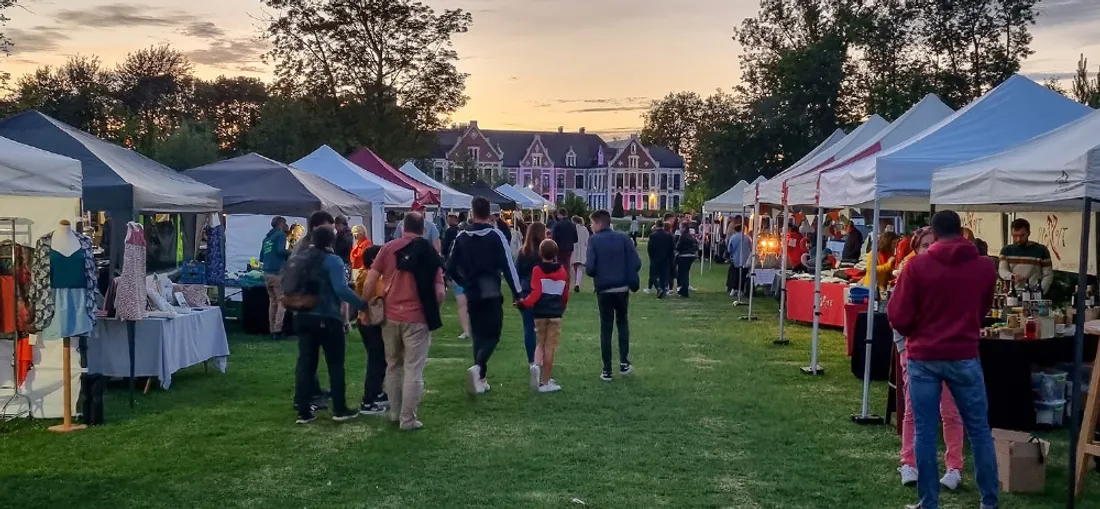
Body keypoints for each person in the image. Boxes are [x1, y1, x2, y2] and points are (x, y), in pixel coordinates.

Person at [887, 210, 998, 509]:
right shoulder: (985, 267)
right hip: (963, 353)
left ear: (934, 234)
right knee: (979, 431)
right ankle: (989, 502)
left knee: (924, 431)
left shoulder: (917, 267)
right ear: (961, 231)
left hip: (924, 355)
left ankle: (929, 502)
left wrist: (917, 331)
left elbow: (897, 315)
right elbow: (983, 308)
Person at [891, 227, 965, 491]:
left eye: (935, 244)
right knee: (914, 410)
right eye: (924, 245)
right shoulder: (907, 278)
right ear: (916, 249)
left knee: (950, 412)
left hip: (948, 355)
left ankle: (954, 467)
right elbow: (896, 317)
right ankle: (909, 463)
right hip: (916, 355)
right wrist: (903, 350)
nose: (930, 249)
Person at [362, 212, 445, 430]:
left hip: (390, 315)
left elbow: (371, 278)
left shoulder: (388, 248)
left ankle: (394, 412)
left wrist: (364, 307)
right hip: (417, 317)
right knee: (413, 369)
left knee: (393, 365)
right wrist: (434, 310)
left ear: (402, 226)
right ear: (423, 229)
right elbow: (440, 292)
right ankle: (408, 419)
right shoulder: (429, 252)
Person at [291, 225, 368, 424]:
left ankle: (303, 410)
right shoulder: (332, 260)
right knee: (335, 363)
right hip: (326, 315)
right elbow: (341, 289)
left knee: (306, 364)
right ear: (331, 241)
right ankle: (339, 408)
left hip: (302, 315)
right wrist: (361, 304)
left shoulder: (300, 258)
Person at [447, 197, 522, 395]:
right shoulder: (495, 235)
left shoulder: (461, 236)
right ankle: (479, 367)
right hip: (491, 290)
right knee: (494, 334)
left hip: (472, 291)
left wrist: (463, 282)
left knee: (478, 334)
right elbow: (508, 266)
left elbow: (450, 266)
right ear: (489, 214)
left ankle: (480, 378)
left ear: (472, 213)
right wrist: (518, 293)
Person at [586, 209, 641, 381]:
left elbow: (590, 268)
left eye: (592, 223)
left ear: (599, 224)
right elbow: (636, 262)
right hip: (622, 288)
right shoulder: (624, 238)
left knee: (606, 327)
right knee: (623, 324)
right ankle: (624, 363)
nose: (591, 226)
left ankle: (607, 369)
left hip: (604, 290)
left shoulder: (594, 241)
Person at [517, 238, 570, 393]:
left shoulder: (537, 270)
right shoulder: (562, 272)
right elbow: (565, 293)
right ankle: (546, 381)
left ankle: (535, 366)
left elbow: (536, 292)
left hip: (539, 313)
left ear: (540, 253)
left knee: (540, 343)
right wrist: (563, 306)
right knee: (550, 347)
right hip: (555, 313)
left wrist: (524, 302)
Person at [354, 245, 388, 415]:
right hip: (371, 322)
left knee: (380, 360)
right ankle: (368, 401)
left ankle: (378, 393)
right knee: (377, 361)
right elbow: (384, 295)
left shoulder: (363, 274)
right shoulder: (372, 278)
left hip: (366, 321)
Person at [517, 222, 548, 367]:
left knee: (528, 328)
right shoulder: (545, 253)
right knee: (543, 328)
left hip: (526, 291)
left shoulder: (523, 253)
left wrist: (517, 296)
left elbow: (517, 274)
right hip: (543, 292)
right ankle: (540, 357)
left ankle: (532, 360)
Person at [998, 218, 1053, 293]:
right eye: (1015, 236)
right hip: (1012, 294)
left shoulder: (1041, 250)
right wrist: (1012, 276)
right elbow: (1002, 270)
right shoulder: (1006, 250)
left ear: (1029, 233)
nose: (1018, 239)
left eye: (1022, 235)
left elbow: (1048, 275)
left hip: (1033, 294)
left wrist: (1040, 292)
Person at [260, 216, 290, 339]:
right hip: (277, 272)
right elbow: (280, 250)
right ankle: (278, 330)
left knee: (272, 302)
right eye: (285, 223)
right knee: (281, 301)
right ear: (281, 224)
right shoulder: (280, 235)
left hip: (266, 273)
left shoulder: (266, 239)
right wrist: (292, 252)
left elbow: (261, 257)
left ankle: (272, 329)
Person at [646, 221, 674, 298]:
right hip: (666, 258)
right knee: (663, 275)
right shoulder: (668, 235)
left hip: (655, 258)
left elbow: (650, 248)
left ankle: (658, 288)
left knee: (653, 275)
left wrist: (651, 256)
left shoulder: (653, 236)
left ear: (656, 225)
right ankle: (663, 289)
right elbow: (672, 247)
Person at [727, 223, 752, 298]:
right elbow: (751, 248)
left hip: (736, 259)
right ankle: (740, 290)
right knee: (743, 275)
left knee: (735, 274)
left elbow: (729, 249)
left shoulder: (733, 237)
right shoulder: (747, 238)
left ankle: (733, 289)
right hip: (745, 259)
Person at [675, 222, 699, 297]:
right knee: (685, 273)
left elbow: (678, 246)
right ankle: (683, 289)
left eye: (680, 227)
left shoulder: (683, 236)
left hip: (684, 256)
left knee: (683, 274)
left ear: (684, 228)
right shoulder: (690, 236)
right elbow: (696, 245)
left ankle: (684, 291)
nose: (680, 229)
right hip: (691, 255)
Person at [572, 216, 590, 292]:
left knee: (574, 268)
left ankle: (575, 283)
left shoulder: (572, 229)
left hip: (574, 249)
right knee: (580, 268)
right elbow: (587, 240)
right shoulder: (584, 229)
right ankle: (577, 284)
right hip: (582, 250)